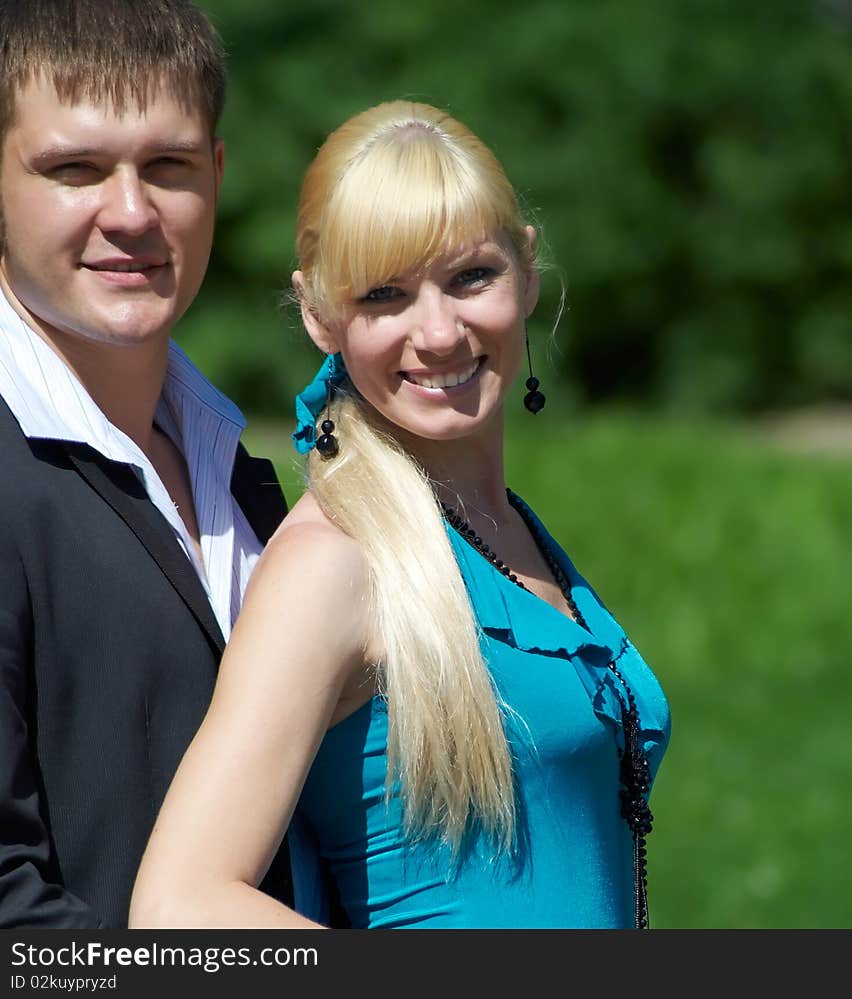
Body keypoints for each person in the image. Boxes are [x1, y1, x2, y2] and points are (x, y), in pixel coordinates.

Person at [129, 100, 671, 930]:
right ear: (319, 314)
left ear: (526, 272)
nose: (440, 331)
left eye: (471, 277)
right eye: (384, 294)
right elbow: (180, 905)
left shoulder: (506, 530)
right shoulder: (334, 563)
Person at [0, 0, 293, 928]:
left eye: (167, 166)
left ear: (216, 174)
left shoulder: (240, 471)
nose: (130, 213)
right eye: (74, 169)